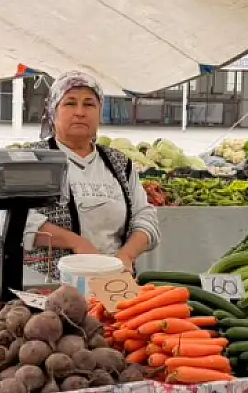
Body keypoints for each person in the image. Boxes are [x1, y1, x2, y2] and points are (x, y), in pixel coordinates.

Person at [24, 70, 159, 274]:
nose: (80, 112)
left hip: (115, 281)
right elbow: (16, 220)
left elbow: (145, 216)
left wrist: (127, 255)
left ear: (99, 113)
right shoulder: (33, 160)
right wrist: (76, 243)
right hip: (50, 282)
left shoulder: (120, 164)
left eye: (89, 104)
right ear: (53, 111)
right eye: (70, 103)